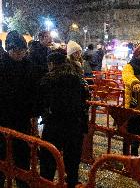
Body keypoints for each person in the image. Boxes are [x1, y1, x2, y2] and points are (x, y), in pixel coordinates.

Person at [38, 52, 89, 188]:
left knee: (48, 158)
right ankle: (72, 182)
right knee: (72, 160)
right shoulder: (78, 78)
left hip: (54, 125)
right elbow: (85, 99)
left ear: (51, 64)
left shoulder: (48, 79)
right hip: (75, 125)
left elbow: (42, 101)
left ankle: (46, 183)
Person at [0, 30, 37, 188]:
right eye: (16, 51)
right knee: (1, 159)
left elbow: (33, 92)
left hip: (22, 121)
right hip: (2, 120)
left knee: (22, 159)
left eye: (23, 51)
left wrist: (34, 113)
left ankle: (23, 183)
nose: (20, 54)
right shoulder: (1, 66)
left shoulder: (29, 66)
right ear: (9, 49)